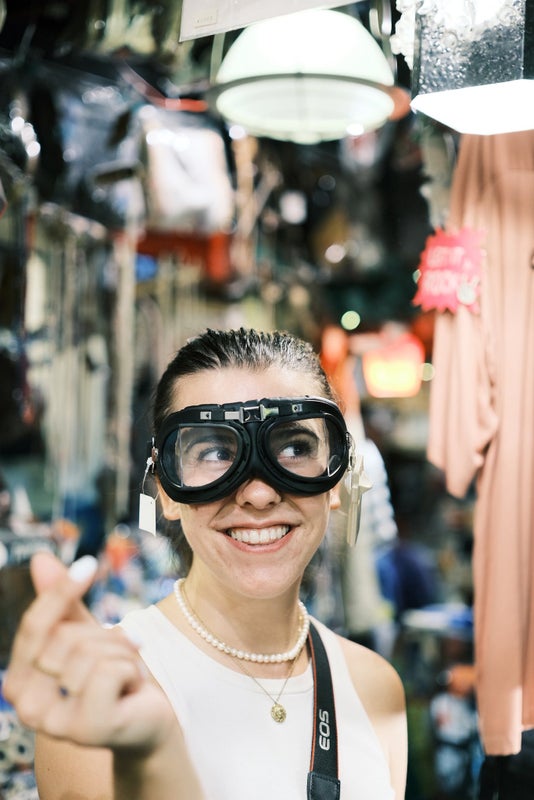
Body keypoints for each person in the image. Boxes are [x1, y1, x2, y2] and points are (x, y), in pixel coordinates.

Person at [4, 327, 407, 800]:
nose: (259, 493)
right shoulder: (104, 696)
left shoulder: (376, 687)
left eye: (295, 448)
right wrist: (149, 758)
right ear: (166, 491)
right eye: (215, 453)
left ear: (336, 479)